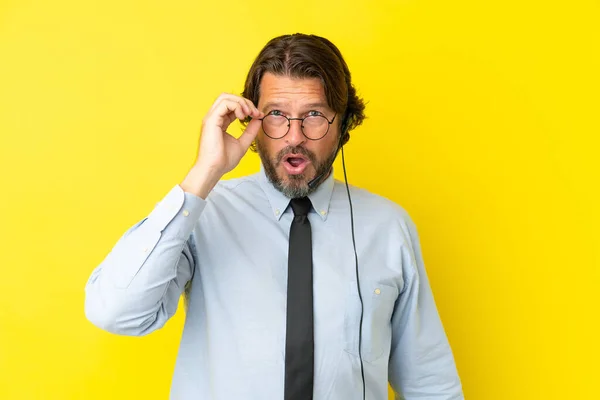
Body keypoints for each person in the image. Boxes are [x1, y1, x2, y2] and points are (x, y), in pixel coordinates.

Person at [84, 33, 464, 400]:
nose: (293, 136)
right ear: (252, 120)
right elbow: (117, 312)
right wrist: (204, 173)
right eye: (276, 114)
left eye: (314, 115)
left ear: (344, 125)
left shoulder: (388, 227)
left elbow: (429, 384)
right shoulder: (204, 214)